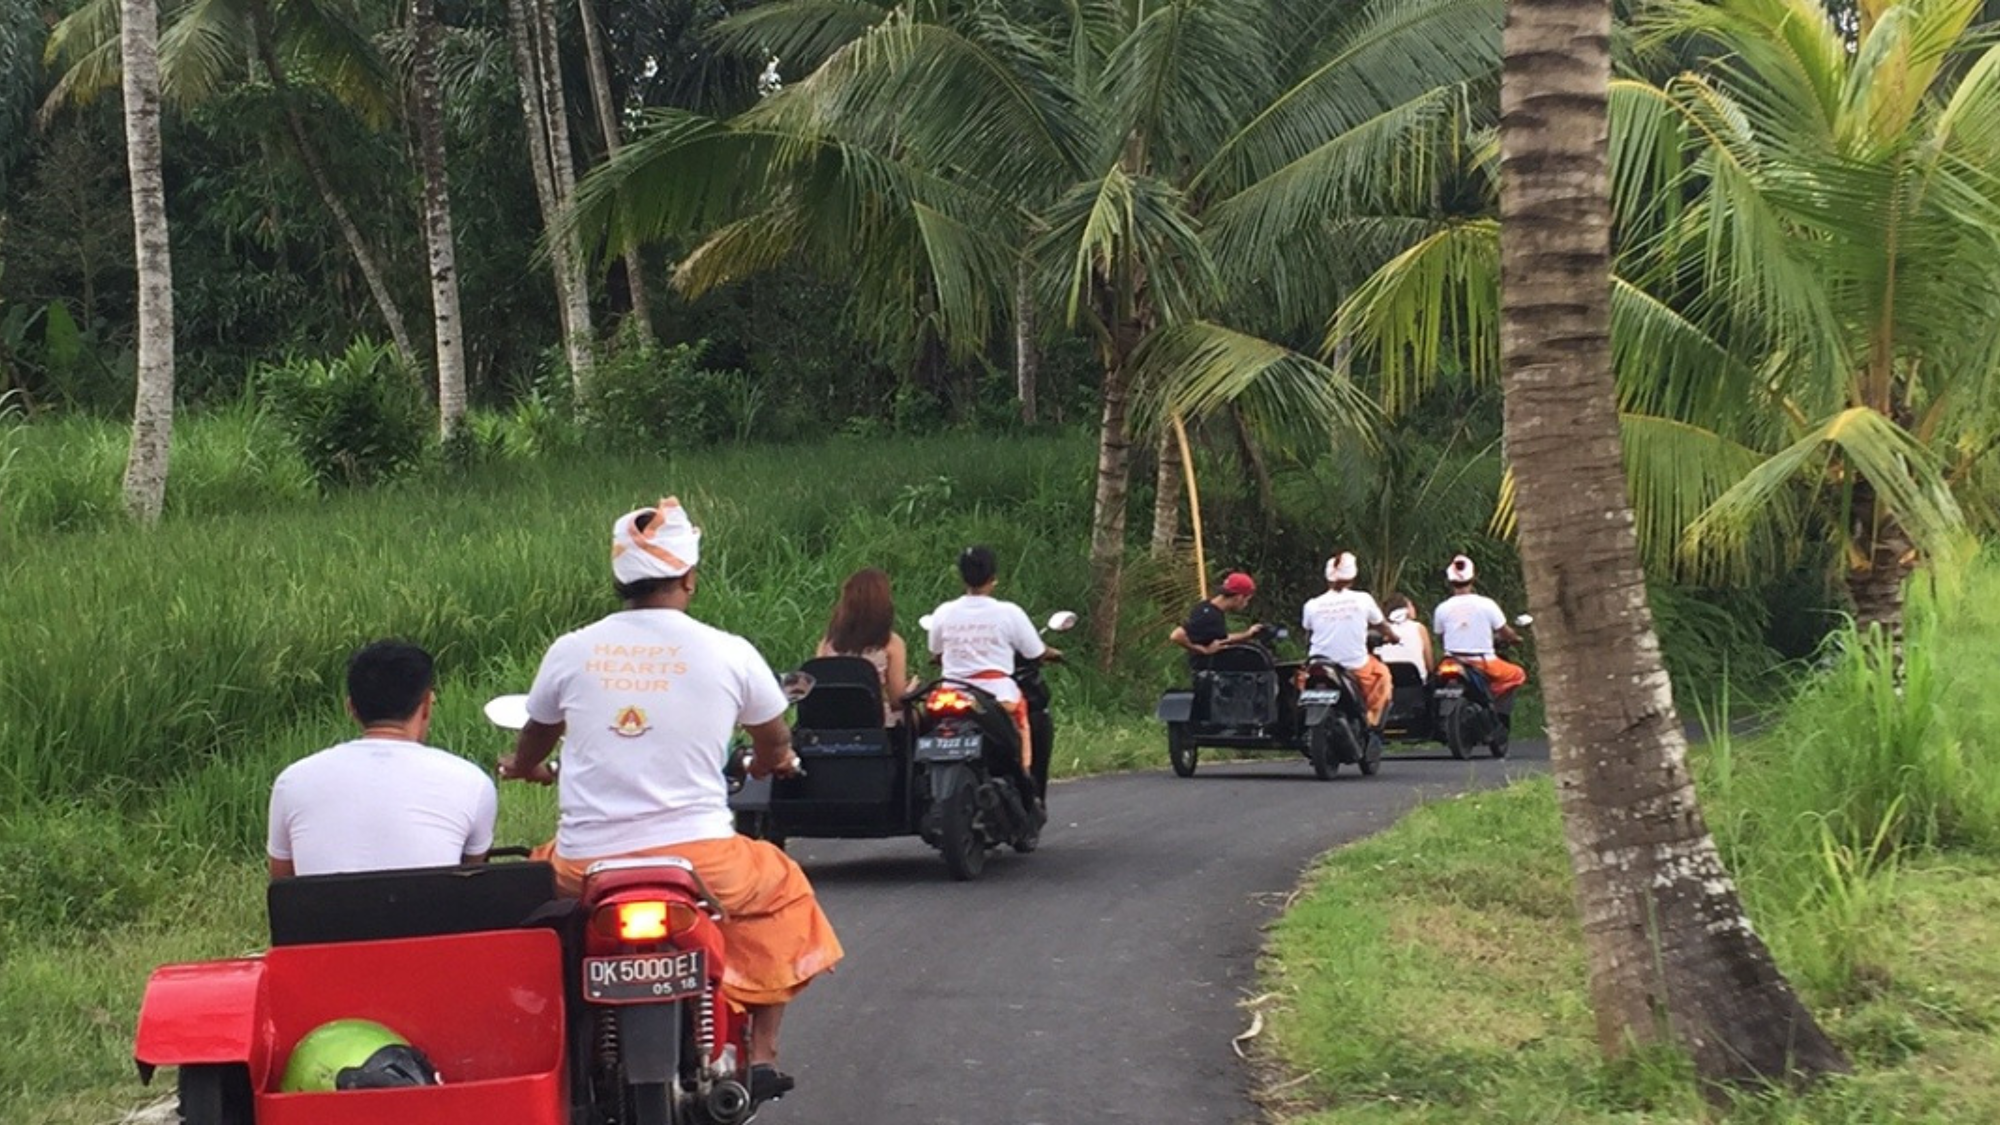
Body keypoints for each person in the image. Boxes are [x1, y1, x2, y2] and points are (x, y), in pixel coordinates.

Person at [498, 497, 842, 1102]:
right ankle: (760, 1055)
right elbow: (774, 737)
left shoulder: (571, 650)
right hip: (703, 863)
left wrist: (524, 769)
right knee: (785, 887)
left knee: (527, 910)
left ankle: (552, 1049)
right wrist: (774, 763)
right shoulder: (729, 651)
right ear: (689, 576)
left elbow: (534, 738)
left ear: (619, 580)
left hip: (585, 869)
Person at [267, 640, 496, 880]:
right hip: (425, 917)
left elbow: (284, 888)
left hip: (324, 918)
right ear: (427, 704)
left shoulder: (292, 782)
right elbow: (467, 878)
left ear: (351, 708)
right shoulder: (473, 783)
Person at [926, 545, 1060, 778]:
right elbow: (1034, 652)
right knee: (1021, 728)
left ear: (962, 577)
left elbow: (936, 651)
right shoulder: (1009, 613)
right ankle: (1025, 777)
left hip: (951, 693)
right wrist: (1053, 653)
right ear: (992, 578)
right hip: (997, 695)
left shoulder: (944, 612)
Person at [1299, 552, 1393, 730]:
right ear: (1353, 576)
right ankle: (1371, 720)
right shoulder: (1363, 599)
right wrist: (1394, 637)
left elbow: (1308, 633)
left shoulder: (1312, 604)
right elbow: (1382, 626)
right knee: (1383, 675)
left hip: (1318, 663)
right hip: (1354, 666)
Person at [815, 566, 913, 724]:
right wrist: (911, 690)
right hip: (874, 724)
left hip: (832, 724)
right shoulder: (890, 643)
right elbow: (897, 701)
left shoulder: (828, 643)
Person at [1432, 554, 1527, 700]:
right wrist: (1516, 638)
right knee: (1518, 674)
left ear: (1450, 581)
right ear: (1473, 578)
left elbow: (1440, 636)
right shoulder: (1486, 604)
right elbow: (1505, 632)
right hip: (1482, 662)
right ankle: (1489, 699)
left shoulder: (1442, 608)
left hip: (1450, 661)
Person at [1169, 571, 1267, 658]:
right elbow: (1177, 635)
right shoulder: (1209, 616)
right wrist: (1204, 650)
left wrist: (1247, 634)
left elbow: (1221, 639)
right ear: (1239, 597)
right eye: (1247, 600)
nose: (1246, 604)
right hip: (1205, 671)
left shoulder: (1207, 607)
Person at [1376, 593, 1433, 679]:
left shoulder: (1380, 630)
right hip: (1415, 681)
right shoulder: (1419, 628)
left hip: (1387, 681)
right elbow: (1429, 664)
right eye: (1411, 605)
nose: (1414, 608)